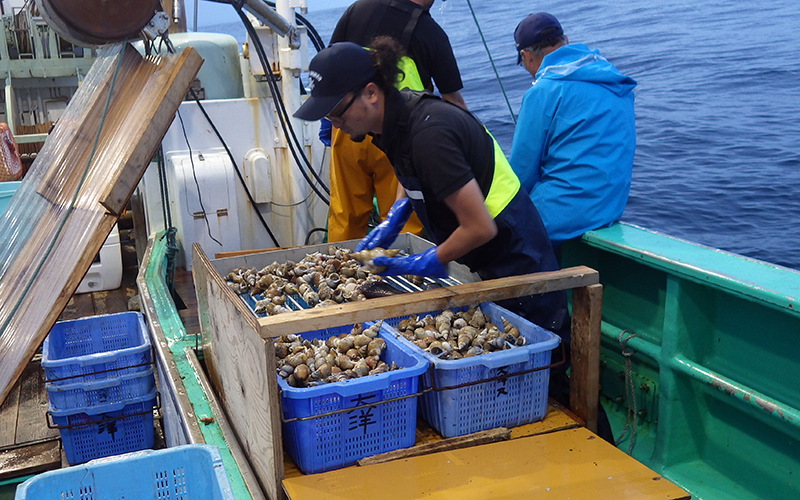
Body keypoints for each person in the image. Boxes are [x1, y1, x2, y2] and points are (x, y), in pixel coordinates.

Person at [294, 39, 568, 337]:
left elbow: (480, 228)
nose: (334, 124)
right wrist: (397, 212)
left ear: (371, 93)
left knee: (540, 361)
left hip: (519, 260)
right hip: (488, 258)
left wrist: (429, 260)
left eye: (337, 113)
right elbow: (410, 171)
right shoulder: (395, 121)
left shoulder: (430, 135)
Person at [323, 0, 467, 243]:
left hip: (348, 126)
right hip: (397, 131)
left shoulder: (359, 8)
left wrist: (329, 121)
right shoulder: (431, 31)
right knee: (401, 223)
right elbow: (454, 102)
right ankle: (400, 272)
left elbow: (330, 66)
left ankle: (340, 270)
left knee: (345, 216)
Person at [509, 12, 637, 247]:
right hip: (609, 208)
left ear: (526, 56)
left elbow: (520, 174)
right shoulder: (614, 80)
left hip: (557, 219)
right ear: (565, 40)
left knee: (488, 239)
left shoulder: (543, 91)